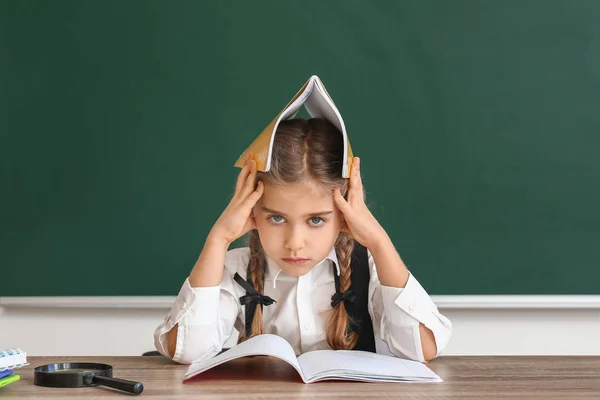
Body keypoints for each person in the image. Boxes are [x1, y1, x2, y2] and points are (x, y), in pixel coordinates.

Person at [153, 117, 452, 365]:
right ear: (252, 210)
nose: (295, 243)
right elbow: (188, 350)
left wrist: (378, 241)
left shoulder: (371, 269)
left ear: (344, 214)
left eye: (316, 220)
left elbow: (422, 348)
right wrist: (218, 239)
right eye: (277, 218)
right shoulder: (234, 269)